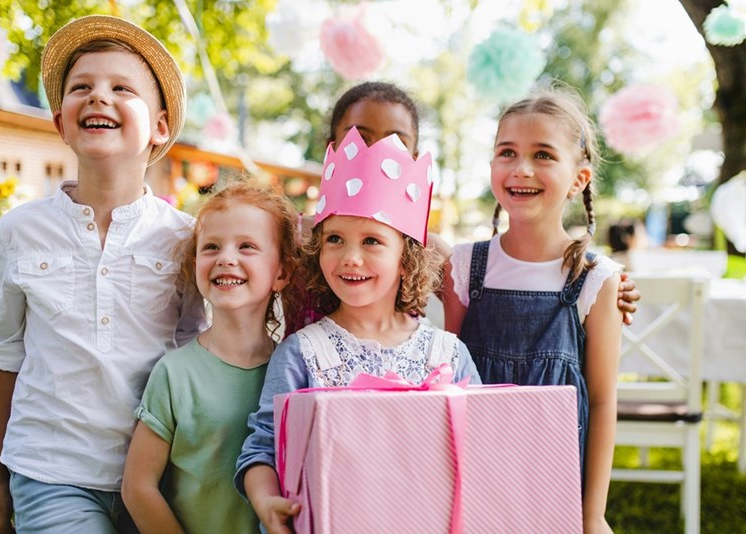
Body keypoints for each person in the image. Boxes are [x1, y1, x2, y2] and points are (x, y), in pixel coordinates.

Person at [0, 15, 207, 533]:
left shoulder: (188, 239)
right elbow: (1, 352)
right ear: (61, 123)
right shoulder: (18, 232)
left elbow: (197, 347)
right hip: (49, 469)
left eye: (121, 88)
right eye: (82, 87)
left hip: (155, 470)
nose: (98, 97)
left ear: (161, 127)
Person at [235, 126, 482, 533]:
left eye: (372, 241)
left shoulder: (448, 354)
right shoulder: (302, 354)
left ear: (407, 258)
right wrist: (266, 501)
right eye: (335, 238)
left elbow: (477, 443)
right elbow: (263, 445)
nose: (350, 257)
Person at [283, 81, 641, 339]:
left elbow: (493, 286)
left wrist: (605, 289)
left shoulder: (426, 250)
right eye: (360, 136)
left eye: (397, 141)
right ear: (334, 145)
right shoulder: (295, 236)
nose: (378, 152)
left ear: (414, 156)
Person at [442, 87, 622, 533]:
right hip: (475, 479)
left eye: (543, 155)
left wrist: (593, 514)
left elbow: (602, 402)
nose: (521, 169)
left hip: (555, 484)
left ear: (578, 179)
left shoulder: (597, 280)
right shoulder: (464, 267)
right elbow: (446, 379)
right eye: (508, 152)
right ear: (491, 167)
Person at [121, 181, 299, 533]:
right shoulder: (175, 373)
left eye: (247, 246)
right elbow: (138, 488)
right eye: (211, 247)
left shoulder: (294, 373)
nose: (226, 258)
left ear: (282, 272)